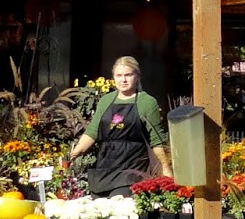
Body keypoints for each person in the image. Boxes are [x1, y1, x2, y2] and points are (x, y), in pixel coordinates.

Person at [70, 56, 172, 196]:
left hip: (132, 173)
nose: (123, 80)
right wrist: (74, 153)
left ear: (137, 76)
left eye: (128, 75)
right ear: (113, 77)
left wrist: (166, 170)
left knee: (120, 209)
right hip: (105, 169)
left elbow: (156, 140)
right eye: (119, 75)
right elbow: (92, 131)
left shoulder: (147, 102)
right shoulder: (106, 100)